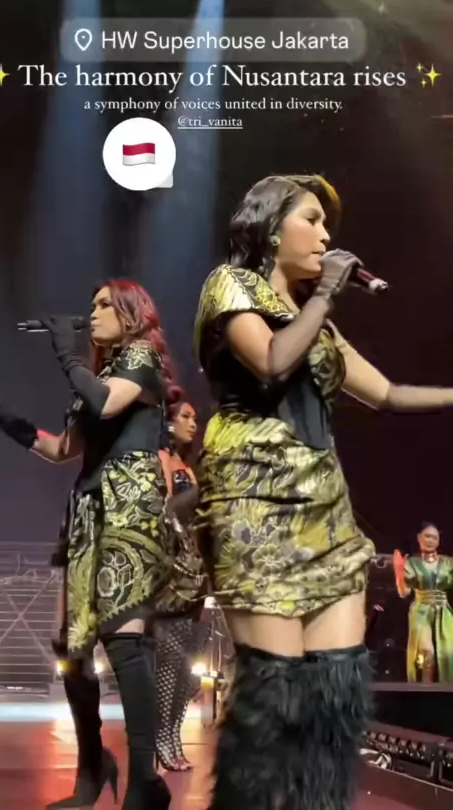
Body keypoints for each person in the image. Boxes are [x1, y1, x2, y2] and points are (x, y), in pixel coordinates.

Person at [193, 173, 453, 810]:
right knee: (277, 695)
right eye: (311, 218)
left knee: (334, 692)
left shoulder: (320, 324)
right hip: (255, 502)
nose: (326, 234)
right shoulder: (231, 286)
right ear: (269, 226)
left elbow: (387, 393)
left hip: (325, 510)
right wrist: (329, 293)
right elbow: (272, 360)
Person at [0, 279, 179, 810]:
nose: (92, 313)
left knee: (124, 635)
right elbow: (62, 449)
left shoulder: (140, 359)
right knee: (70, 645)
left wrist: (65, 351)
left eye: (104, 305)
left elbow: (106, 405)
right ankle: (92, 766)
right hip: (89, 511)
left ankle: (144, 781)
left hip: (128, 505)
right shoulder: (101, 376)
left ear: (132, 314)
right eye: (91, 305)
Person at [154, 402, 209, 771]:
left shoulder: (187, 466)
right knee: (170, 663)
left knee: (190, 669)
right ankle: (162, 736)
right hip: (173, 572)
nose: (193, 423)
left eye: (195, 418)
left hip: (197, 570)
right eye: (186, 417)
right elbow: (165, 511)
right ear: (169, 422)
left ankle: (174, 732)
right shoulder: (161, 459)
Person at [394, 524, 453, 683]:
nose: (430, 540)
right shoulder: (412, 563)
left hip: (444, 612)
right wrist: (399, 574)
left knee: (448, 654)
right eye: (427, 536)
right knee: (426, 653)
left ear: (438, 541)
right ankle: (424, 692)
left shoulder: (448, 563)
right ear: (419, 538)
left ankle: (445, 692)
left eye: (434, 537)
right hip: (421, 612)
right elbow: (404, 593)